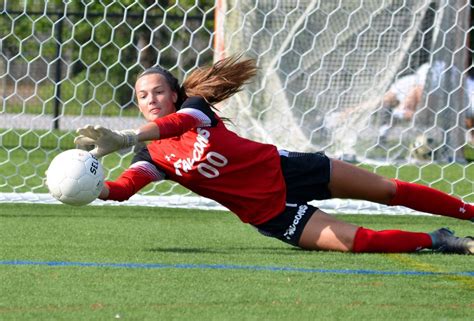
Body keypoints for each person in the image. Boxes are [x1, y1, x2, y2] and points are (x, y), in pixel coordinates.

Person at [75, 56, 474, 255]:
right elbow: (125, 188)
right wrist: (92, 187)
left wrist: (126, 136)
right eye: (142, 96)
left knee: (388, 190)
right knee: (357, 241)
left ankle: (470, 212)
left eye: (158, 91)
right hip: (270, 213)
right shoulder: (151, 154)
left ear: (175, 94)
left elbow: (174, 126)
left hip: (289, 169)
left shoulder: (194, 109)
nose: (151, 99)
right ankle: (443, 240)